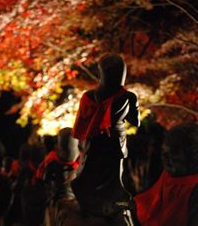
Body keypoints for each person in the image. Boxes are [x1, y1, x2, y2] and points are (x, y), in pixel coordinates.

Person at [70, 53, 140, 221]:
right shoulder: (129, 97)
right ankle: (112, 204)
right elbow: (135, 122)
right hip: (116, 140)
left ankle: (90, 202)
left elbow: (82, 122)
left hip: (94, 140)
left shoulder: (88, 96)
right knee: (114, 174)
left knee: (90, 170)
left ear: (101, 73)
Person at [132, 122, 198, 226]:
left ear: (192, 155)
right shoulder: (169, 175)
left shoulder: (194, 188)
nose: (166, 158)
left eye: (174, 152)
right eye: (164, 152)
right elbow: (149, 202)